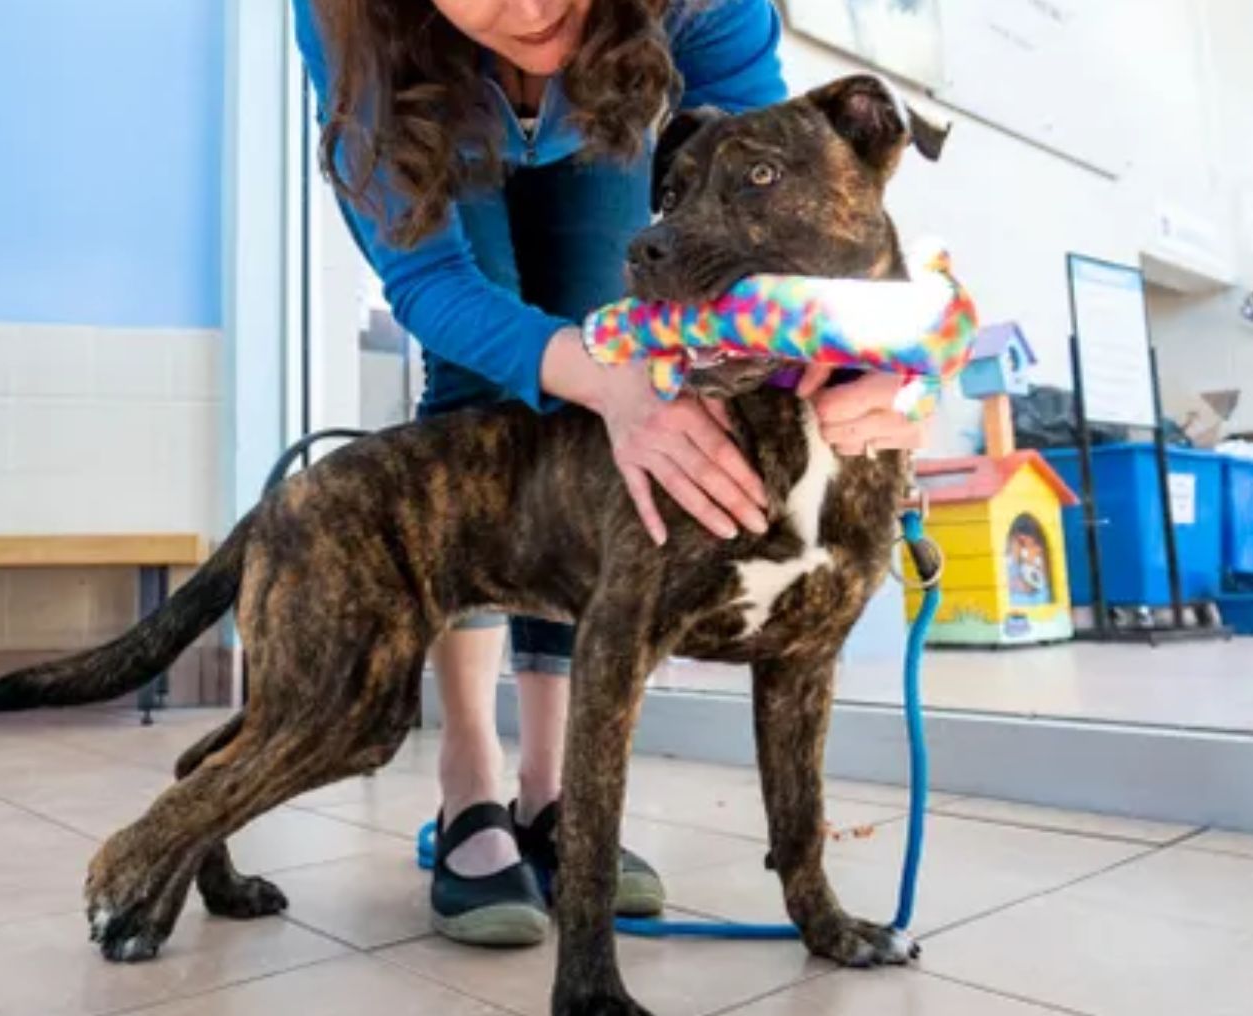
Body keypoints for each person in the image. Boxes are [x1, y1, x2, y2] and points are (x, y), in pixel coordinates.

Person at [291, 0, 932, 946]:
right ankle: (472, 783)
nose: (535, 7)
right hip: (439, 106)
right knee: (487, 391)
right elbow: (433, 281)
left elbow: (793, 218)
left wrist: (876, 354)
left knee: (606, 318)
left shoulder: (707, 7)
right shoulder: (351, 24)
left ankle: (552, 797)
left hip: (612, 102)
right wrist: (607, 385)